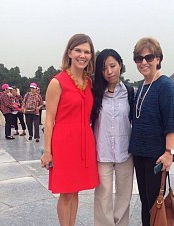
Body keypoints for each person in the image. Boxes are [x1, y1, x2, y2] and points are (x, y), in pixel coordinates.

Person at [41, 33, 99, 226]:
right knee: (66, 193)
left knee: (75, 191)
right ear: (69, 52)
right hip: (64, 142)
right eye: (78, 51)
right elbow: (49, 120)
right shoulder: (57, 82)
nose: (82, 55)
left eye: (87, 52)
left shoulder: (89, 83)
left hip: (84, 141)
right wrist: (47, 152)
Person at [128, 37, 174, 226]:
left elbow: (171, 124)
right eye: (139, 58)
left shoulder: (165, 86)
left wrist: (168, 153)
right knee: (146, 202)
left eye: (149, 57)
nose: (144, 62)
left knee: (154, 204)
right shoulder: (141, 86)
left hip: (156, 156)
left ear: (158, 59)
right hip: (140, 153)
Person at [91, 49, 134, 226]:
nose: (109, 71)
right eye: (104, 68)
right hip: (102, 152)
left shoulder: (130, 93)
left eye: (113, 66)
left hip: (125, 152)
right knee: (103, 195)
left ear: (120, 66)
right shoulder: (95, 94)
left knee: (124, 195)